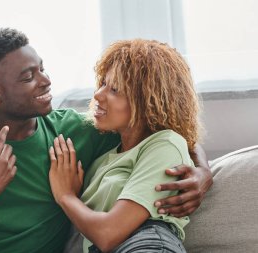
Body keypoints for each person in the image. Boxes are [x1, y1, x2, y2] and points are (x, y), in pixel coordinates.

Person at [0, 28, 212, 253]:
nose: (45, 80)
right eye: (29, 77)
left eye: (42, 68)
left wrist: (202, 172)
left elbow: (162, 128)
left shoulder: (75, 132)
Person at [49, 39, 204, 253]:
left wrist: (65, 196)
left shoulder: (164, 144)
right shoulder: (107, 155)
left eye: (114, 89)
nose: (98, 94)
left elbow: (108, 233)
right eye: (102, 83)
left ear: (148, 101)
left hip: (147, 243)